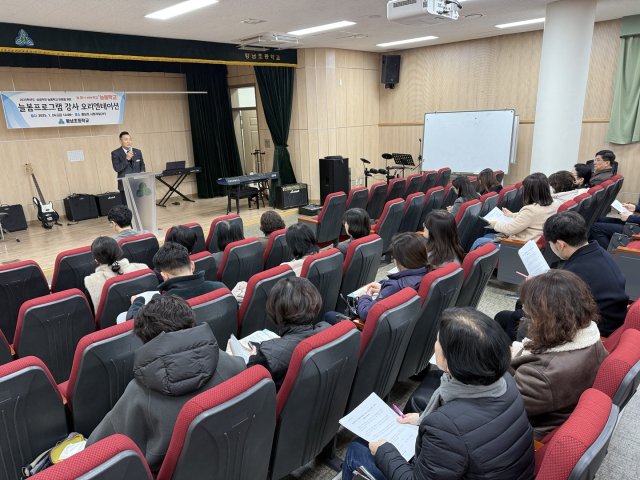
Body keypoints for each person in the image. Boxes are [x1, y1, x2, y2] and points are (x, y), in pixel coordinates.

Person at [342, 308, 535, 480]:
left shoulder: (446, 425)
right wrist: (422, 418)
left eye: (438, 341)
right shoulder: (505, 381)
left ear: (453, 362)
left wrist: (384, 451)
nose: (435, 344)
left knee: (358, 448)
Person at [87, 295, 245, 473]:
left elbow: (95, 449)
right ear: (190, 320)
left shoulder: (139, 394)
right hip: (229, 463)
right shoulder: (230, 363)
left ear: (145, 339)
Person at [495, 211, 629, 340]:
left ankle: (516, 357)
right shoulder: (599, 252)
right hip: (608, 322)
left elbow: (556, 310)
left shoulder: (575, 272)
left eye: (551, 244)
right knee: (509, 315)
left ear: (560, 244)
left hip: (591, 331)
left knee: (515, 316)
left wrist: (533, 288)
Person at [510, 270, 608, 440]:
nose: (524, 309)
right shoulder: (588, 334)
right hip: (554, 408)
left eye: (526, 306)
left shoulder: (541, 374)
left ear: (545, 316)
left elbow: (502, 408)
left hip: (526, 434)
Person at [247, 277, 330, 390]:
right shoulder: (329, 331)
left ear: (275, 310)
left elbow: (251, 388)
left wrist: (252, 359)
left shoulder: (267, 354)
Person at [336, 232, 430, 324]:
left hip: (369, 329)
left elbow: (366, 314)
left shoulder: (394, 287)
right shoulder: (428, 273)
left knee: (330, 315)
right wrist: (383, 288)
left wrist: (364, 297)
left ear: (401, 261)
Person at [125, 242, 226, 321]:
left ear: (164, 275)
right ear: (192, 265)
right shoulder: (221, 289)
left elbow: (134, 321)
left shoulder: (161, 305)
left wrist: (137, 302)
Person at [471, 172, 559, 250]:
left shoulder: (531, 210)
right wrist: (512, 215)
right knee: (487, 236)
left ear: (530, 192)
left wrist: (495, 224)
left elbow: (509, 229)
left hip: (517, 248)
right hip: (531, 244)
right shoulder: (554, 204)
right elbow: (531, 218)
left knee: (479, 242)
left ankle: (467, 267)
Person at [84, 236, 148, 308]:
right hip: (145, 315)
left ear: (96, 260)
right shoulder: (142, 269)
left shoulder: (91, 282)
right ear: (120, 252)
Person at [111, 131, 145, 206]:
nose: (128, 141)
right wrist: (126, 159)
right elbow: (117, 168)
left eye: (130, 139)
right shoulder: (115, 153)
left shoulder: (137, 152)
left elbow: (142, 164)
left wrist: (142, 172)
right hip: (125, 185)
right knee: (127, 207)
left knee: (139, 205)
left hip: (137, 184)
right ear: (120, 141)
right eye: (126, 139)